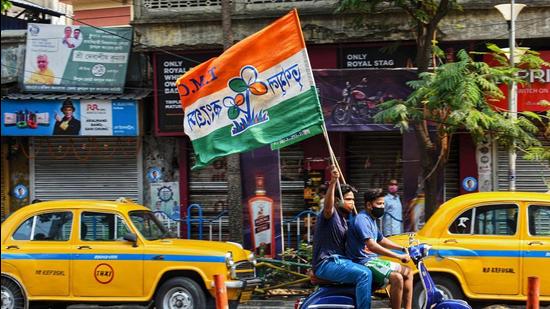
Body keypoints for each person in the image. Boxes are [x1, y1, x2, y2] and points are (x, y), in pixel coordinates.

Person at [311, 165, 373, 309]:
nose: (352, 202)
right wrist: (333, 182)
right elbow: (327, 207)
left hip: (341, 262)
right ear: (338, 200)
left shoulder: (346, 221)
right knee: (364, 274)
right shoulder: (330, 216)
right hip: (327, 263)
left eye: (353, 199)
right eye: (348, 199)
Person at [346, 188, 413, 309]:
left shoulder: (371, 220)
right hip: (363, 262)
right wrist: (398, 256)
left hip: (372, 261)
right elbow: (372, 245)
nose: (382, 207)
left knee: (408, 272)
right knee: (396, 277)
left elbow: (381, 240)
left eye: (383, 203)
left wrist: (402, 248)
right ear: (369, 205)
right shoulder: (362, 219)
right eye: (379, 204)